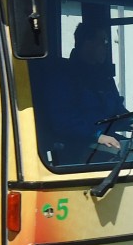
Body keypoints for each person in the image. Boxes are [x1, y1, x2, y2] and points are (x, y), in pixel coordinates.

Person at [40, 21, 127, 156]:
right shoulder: (63, 76)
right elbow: (64, 120)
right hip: (79, 150)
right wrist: (97, 136)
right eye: (102, 41)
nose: (106, 47)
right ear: (88, 43)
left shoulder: (104, 77)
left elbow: (116, 109)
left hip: (107, 143)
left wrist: (130, 120)